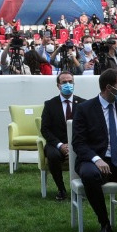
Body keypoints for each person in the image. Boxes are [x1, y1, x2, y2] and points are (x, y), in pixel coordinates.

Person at [72, 69, 117, 232]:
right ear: (109, 88)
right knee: (89, 174)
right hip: (95, 159)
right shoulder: (85, 109)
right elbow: (78, 142)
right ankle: (105, 224)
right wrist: (96, 159)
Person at [40, 71, 84, 202]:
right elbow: (45, 129)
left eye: (70, 82)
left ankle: (83, 188)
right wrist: (60, 145)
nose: (68, 84)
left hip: (77, 143)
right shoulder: (50, 104)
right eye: (64, 82)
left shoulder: (83, 104)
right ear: (58, 86)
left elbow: (87, 128)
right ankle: (61, 189)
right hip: (56, 144)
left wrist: (73, 146)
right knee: (52, 155)